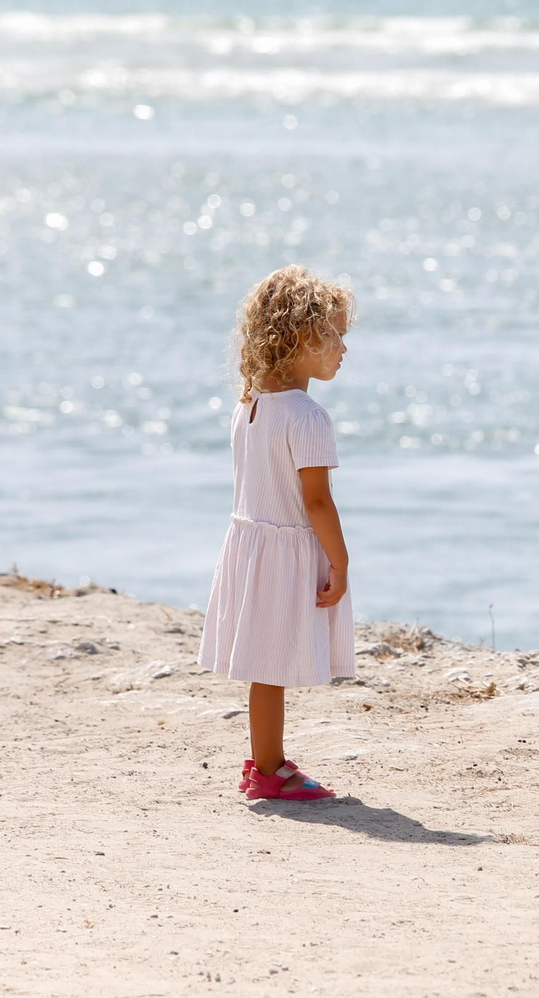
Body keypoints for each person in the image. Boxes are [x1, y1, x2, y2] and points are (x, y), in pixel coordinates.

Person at [198, 265, 356, 801]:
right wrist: (341, 562)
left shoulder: (251, 405)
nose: (343, 347)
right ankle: (268, 772)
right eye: (335, 334)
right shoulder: (308, 417)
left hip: (251, 547)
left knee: (265, 670)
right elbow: (316, 501)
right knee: (270, 667)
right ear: (300, 336)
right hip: (285, 549)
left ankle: (265, 763)